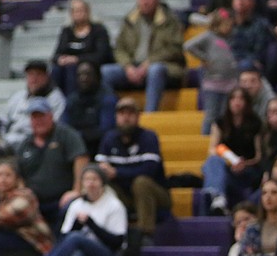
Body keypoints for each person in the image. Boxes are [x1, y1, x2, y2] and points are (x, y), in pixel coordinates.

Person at [15, 164, 127, 256]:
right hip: (83, 253)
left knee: (76, 239)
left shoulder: (114, 205)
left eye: (95, 179)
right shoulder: (77, 205)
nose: (91, 183)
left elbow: (117, 242)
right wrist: (77, 225)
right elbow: (64, 239)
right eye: (87, 179)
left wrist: (91, 224)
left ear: (103, 182)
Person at [95, 98, 171, 244]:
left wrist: (117, 173)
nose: (126, 117)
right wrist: (108, 173)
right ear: (116, 117)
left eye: (130, 113)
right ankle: (112, 233)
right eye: (122, 113)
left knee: (141, 182)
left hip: (156, 195)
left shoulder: (148, 137)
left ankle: (145, 234)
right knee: (102, 184)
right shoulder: (108, 139)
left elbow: (149, 170)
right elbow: (101, 169)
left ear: (138, 116)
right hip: (125, 196)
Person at [100, 0, 185, 113]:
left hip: (165, 67)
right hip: (134, 67)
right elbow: (119, 49)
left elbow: (174, 49)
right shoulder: (130, 20)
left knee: (155, 70)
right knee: (105, 72)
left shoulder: (170, 20)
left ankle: (150, 116)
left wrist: (149, 63)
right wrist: (127, 66)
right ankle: (118, 115)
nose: (145, 2)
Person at [15, 97, 88, 226]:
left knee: (71, 209)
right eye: (35, 117)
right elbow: (18, 173)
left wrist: (76, 190)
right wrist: (23, 193)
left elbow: (81, 158)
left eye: (42, 116)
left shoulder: (66, 134)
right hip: (35, 202)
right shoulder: (25, 144)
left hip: (62, 199)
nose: (39, 121)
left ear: (51, 116)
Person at [200, 87, 263, 215]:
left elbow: (259, 156)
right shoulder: (220, 122)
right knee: (213, 161)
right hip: (227, 166)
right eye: (233, 98)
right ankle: (218, 198)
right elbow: (212, 149)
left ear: (247, 102)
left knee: (211, 169)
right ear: (228, 102)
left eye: (241, 98)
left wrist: (244, 164)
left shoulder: (256, 123)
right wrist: (229, 162)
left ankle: (217, 196)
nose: (237, 102)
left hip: (248, 169)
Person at [185, 8, 238, 135]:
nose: (228, 28)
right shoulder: (209, 37)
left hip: (229, 82)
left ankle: (221, 140)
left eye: (230, 25)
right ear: (217, 24)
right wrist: (205, 58)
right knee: (211, 114)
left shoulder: (231, 38)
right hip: (213, 82)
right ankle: (205, 139)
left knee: (224, 115)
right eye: (226, 25)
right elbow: (188, 45)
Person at [50, 0, 113, 95]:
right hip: (67, 68)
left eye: (81, 10)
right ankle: (57, 101)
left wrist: (77, 59)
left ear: (88, 12)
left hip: (92, 66)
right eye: (75, 11)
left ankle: (72, 100)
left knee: (73, 69)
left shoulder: (98, 30)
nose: (78, 13)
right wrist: (60, 59)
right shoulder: (67, 31)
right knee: (56, 69)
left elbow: (101, 55)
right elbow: (56, 55)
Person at [1, 61, 67, 147]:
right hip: (10, 139)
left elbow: (54, 126)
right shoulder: (18, 97)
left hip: (37, 142)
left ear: (46, 77)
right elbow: (4, 122)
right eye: (30, 74)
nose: (34, 79)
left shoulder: (56, 99)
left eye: (38, 74)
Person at [60, 61, 116, 156]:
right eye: (79, 75)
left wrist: (78, 135)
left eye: (87, 74)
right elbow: (63, 127)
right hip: (75, 148)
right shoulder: (72, 99)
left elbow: (106, 131)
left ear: (97, 76)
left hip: (99, 149)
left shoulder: (107, 98)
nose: (83, 78)